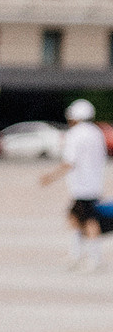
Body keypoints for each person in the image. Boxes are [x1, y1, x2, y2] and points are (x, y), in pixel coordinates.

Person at [44, 96, 108, 267]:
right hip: (93, 182)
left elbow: (69, 162)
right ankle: (76, 253)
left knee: (89, 219)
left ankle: (94, 258)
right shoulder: (96, 132)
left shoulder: (75, 134)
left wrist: (50, 177)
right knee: (74, 216)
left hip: (81, 185)